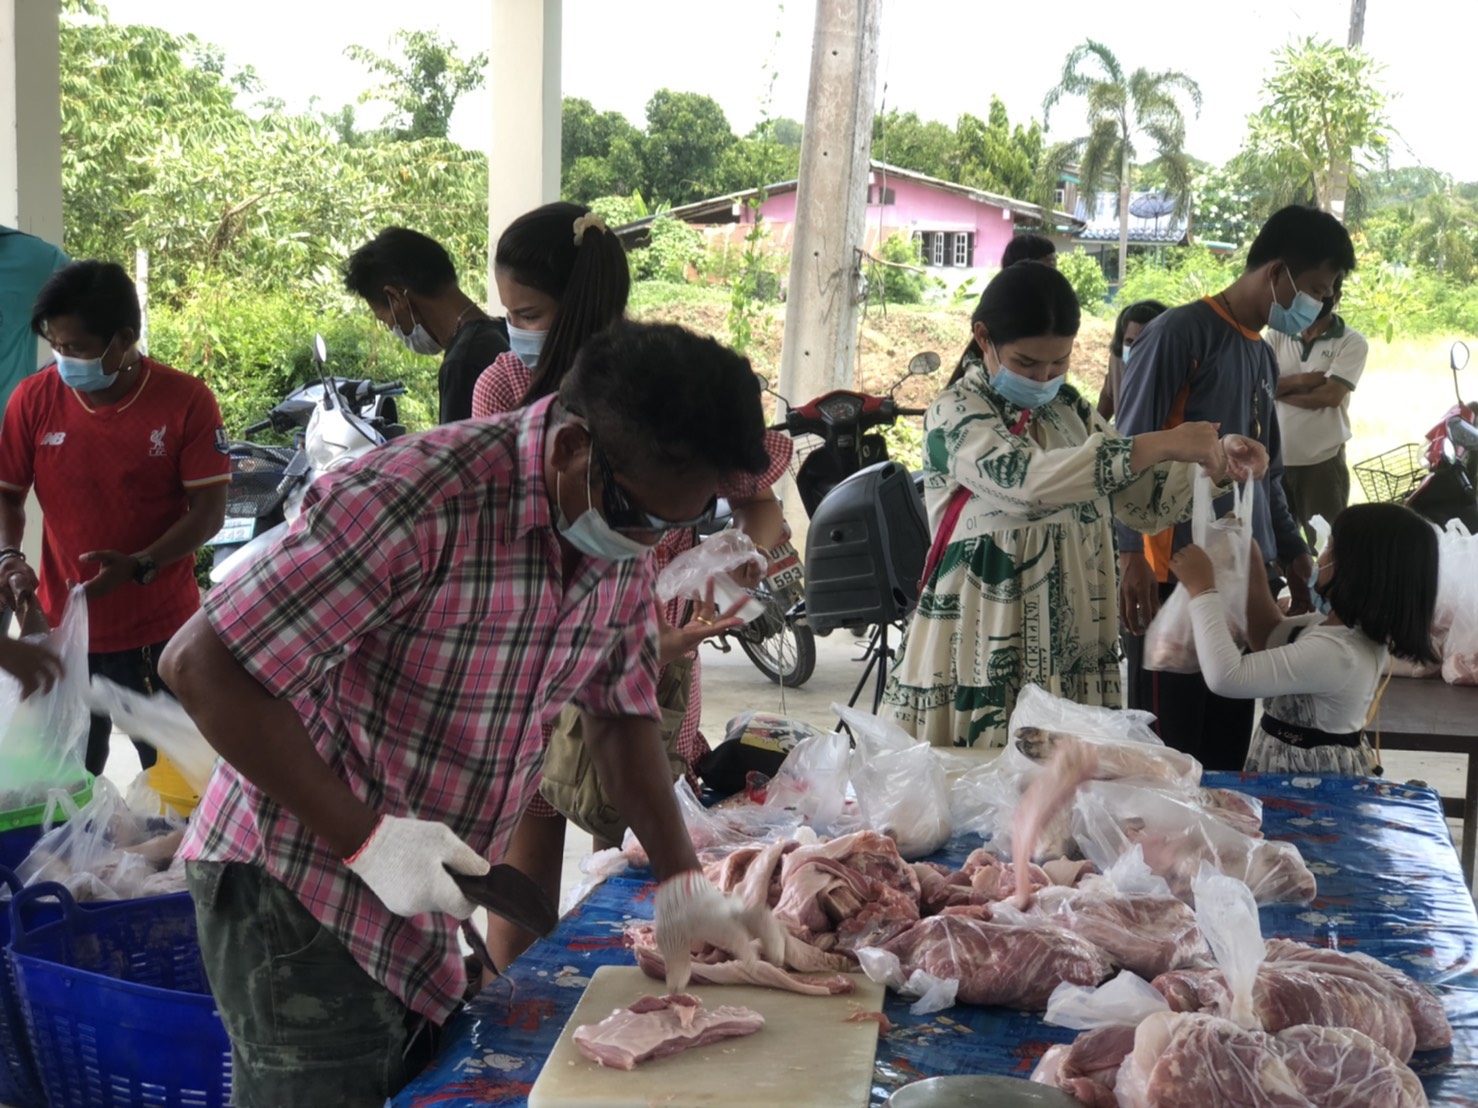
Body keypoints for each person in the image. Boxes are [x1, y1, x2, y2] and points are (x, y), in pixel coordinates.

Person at [161, 321, 786, 1105]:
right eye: (640, 518)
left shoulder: (611, 524)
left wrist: (681, 882)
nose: (645, 543)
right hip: (298, 878)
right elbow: (199, 665)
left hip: (428, 880)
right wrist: (367, 839)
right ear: (572, 450)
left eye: (671, 527)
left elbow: (618, 709)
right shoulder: (413, 500)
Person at [473, 201, 792, 968]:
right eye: (510, 314)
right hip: (534, 646)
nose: (514, 329)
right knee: (525, 850)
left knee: (626, 851)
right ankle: (512, 1000)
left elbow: (759, 504)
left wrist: (740, 558)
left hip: (655, 638)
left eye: (528, 314)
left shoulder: (665, 391)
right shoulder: (497, 400)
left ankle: (629, 974)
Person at [878, 262, 1266, 748]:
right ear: (983, 338)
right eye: (1026, 363)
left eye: (1058, 363)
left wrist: (1216, 461)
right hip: (985, 637)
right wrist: (1159, 443)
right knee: (983, 775)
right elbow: (1026, 483)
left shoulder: (1071, 411)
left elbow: (1143, 503)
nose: (1044, 377)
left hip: (1073, 638)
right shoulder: (955, 412)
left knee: (1066, 781)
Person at [1115, 205, 1356, 770]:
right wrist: (1131, 554)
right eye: (1315, 291)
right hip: (1176, 573)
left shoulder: (1261, 354)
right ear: (1276, 273)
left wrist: (1292, 552)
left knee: (1224, 749)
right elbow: (1126, 452)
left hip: (1242, 580)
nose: (1318, 306)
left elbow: (1267, 473)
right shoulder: (1179, 334)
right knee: (1170, 754)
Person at [0, 260, 229, 775]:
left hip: (160, 636)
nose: (63, 359)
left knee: (178, 782)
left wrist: (143, 563)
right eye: (56, 346)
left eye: (76, 347)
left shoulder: (185, 402)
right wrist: (8, 555)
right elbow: (7, 496)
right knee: (62, 784)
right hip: (62, 634)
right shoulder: (34, 399)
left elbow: (209, 512)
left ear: (123, 339)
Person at [1169, 502, 1438, 776]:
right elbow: (1269, 635)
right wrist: (1247, 553)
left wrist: (1202, 591)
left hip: (1309, 785)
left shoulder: (1338, 653)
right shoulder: (1330, 629)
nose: (1320, 557)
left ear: (1357, 568)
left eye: (1329, 547)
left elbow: (1226, 677)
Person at [343, 226, 509, 423]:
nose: (391, 329)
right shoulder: (505, 331)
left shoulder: (463, 363)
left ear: (396, 298)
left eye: (384, 319)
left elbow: (457, 443)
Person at [1269, 275, 1366, 548]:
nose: (1314, 301)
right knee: (1276, 546)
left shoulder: (1351, 342)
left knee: (1327, 546)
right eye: (1308, 294)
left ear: (1337, 298)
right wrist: (1303, 381)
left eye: (1323, 294)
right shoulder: (1276, 335)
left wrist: (1277, 390)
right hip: (1276, 460)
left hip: (1322, 462)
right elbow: (1258, 385)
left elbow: (1330, 396)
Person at [1097, 299, 1167, 422]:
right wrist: (1093, 428)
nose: (1136, 350)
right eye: (1130, 342)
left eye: (1144, 343)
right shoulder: (1118, 359)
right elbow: (1109, 395)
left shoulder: (1173, 370)